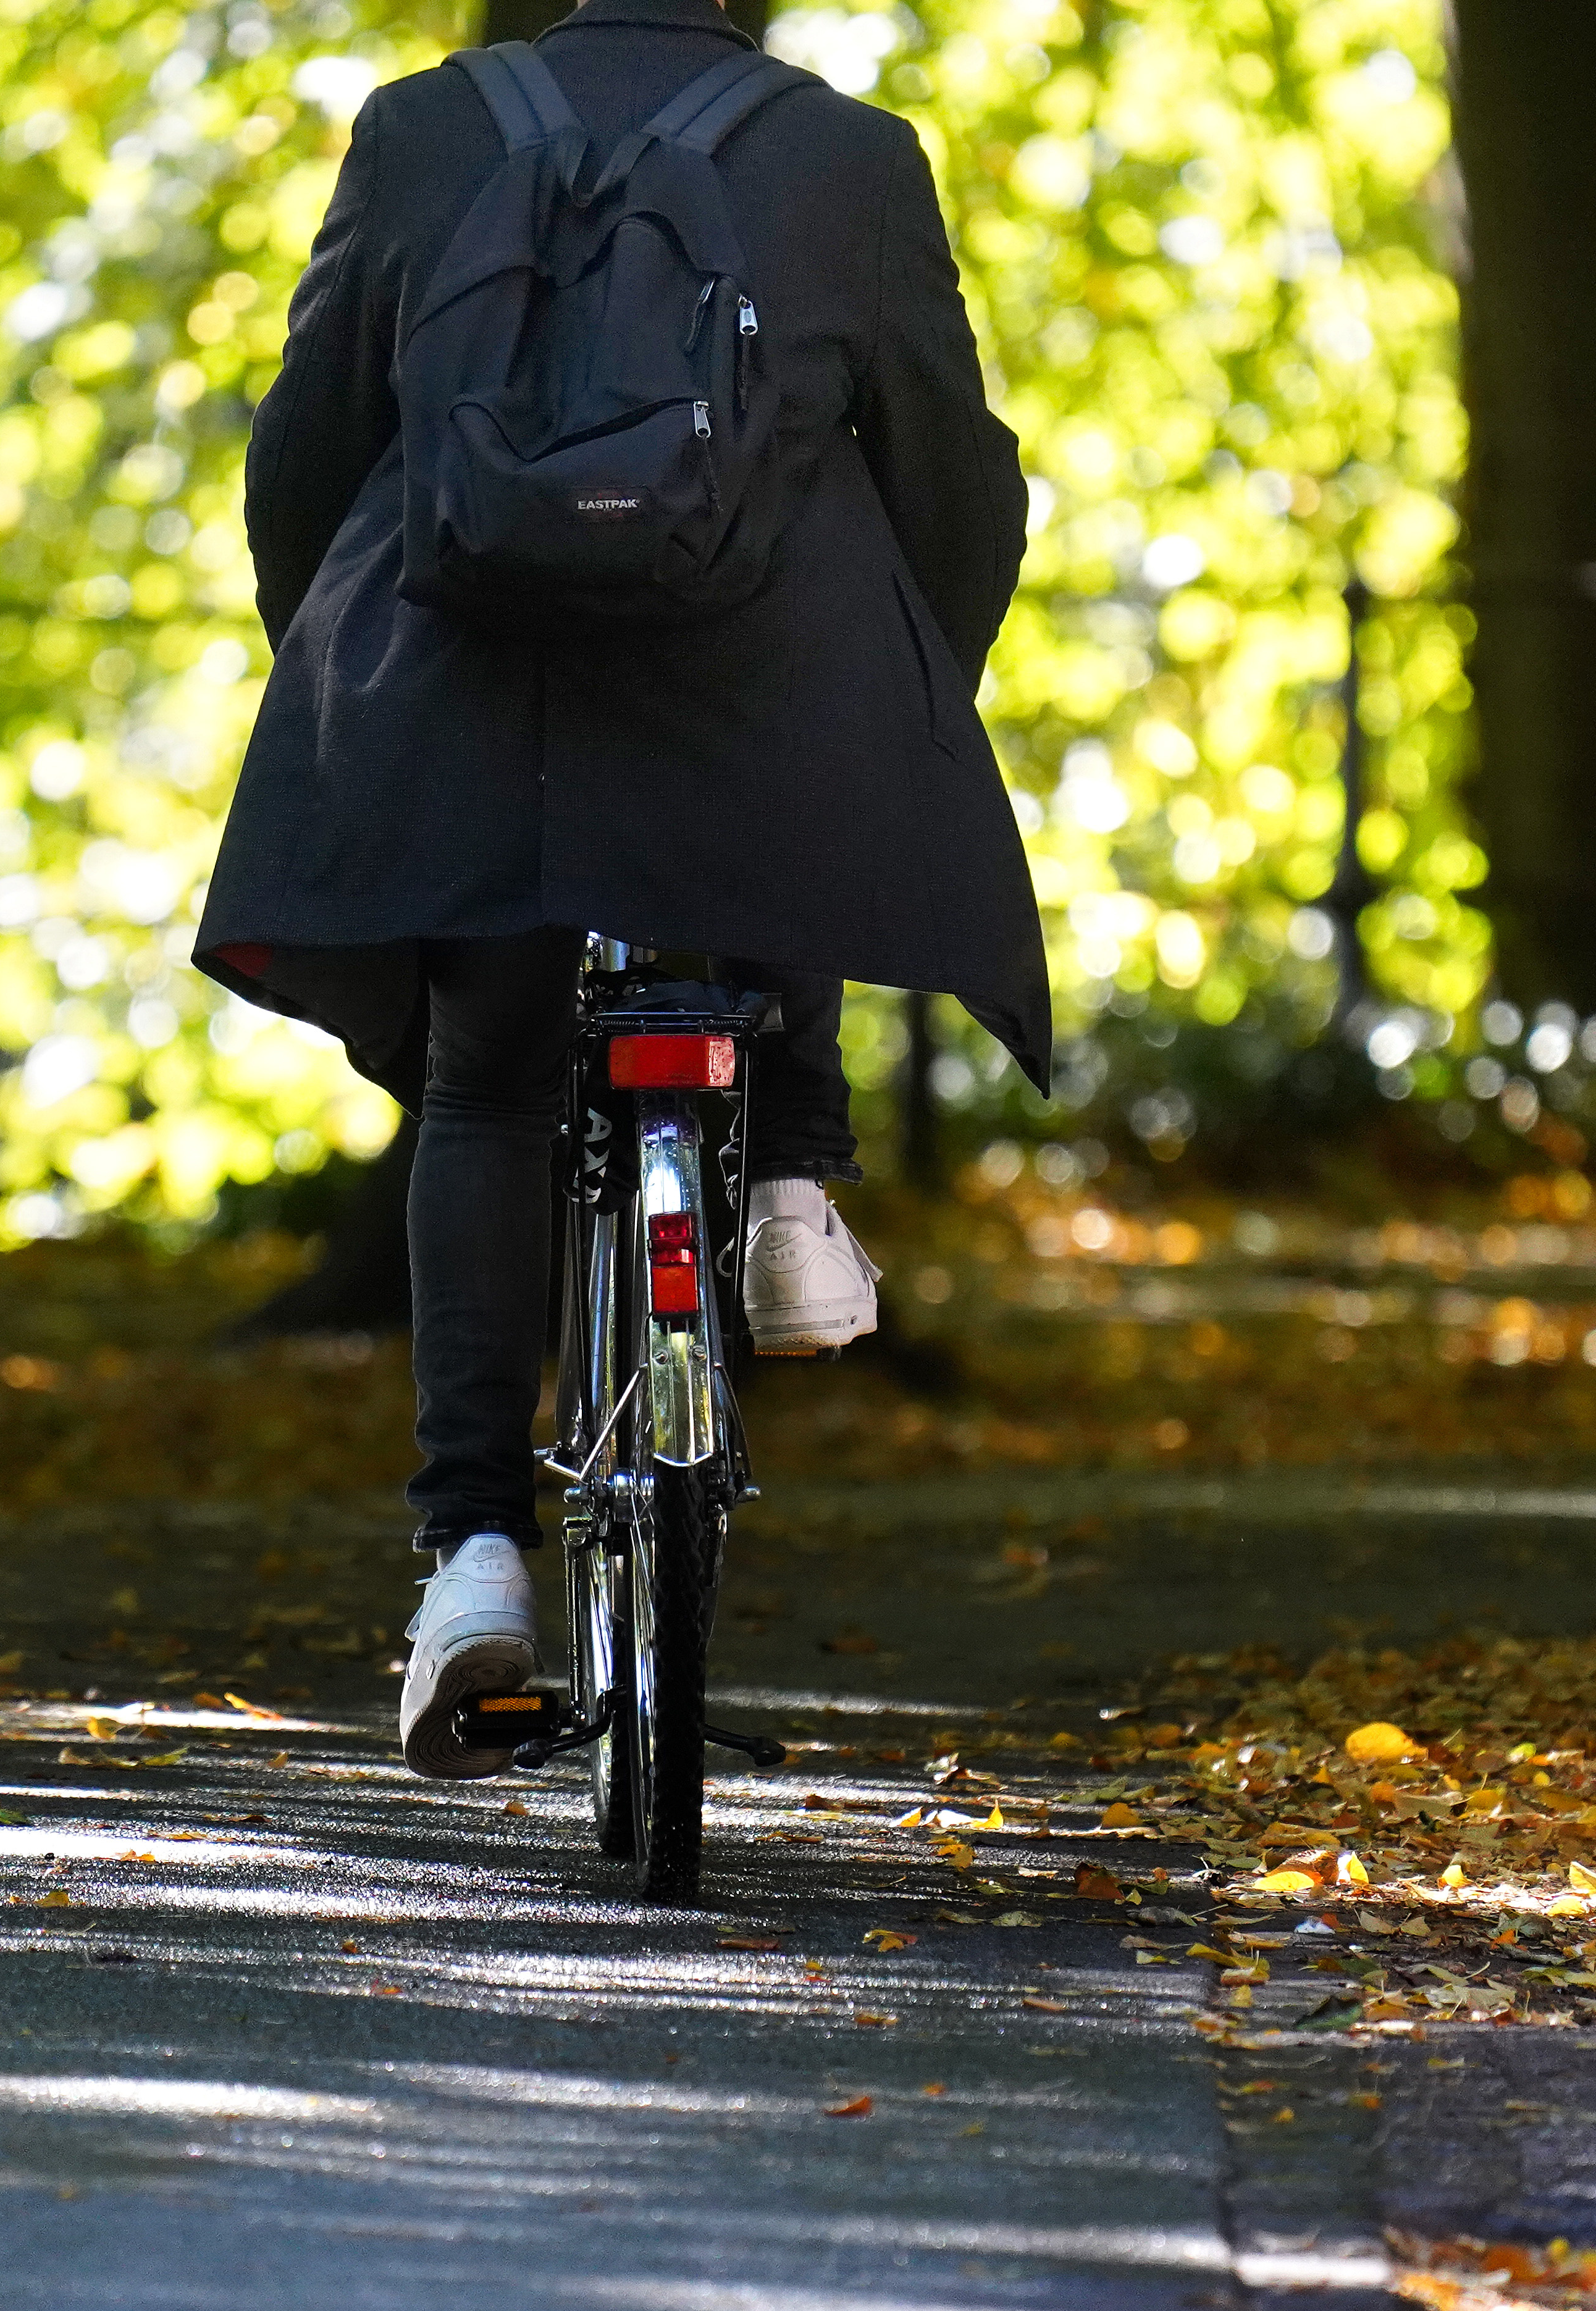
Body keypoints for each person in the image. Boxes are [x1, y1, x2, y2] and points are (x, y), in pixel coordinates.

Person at [196, 0, 1048, 1777]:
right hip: (761, 714)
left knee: (490, 1078)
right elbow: (950, 473)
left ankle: (475, 1557)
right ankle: (797, 1183)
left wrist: (341, 667)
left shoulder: (423, 131)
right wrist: (914, 677)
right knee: (765, 857)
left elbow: (305, 453)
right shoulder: (849, 156)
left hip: (472, 694)